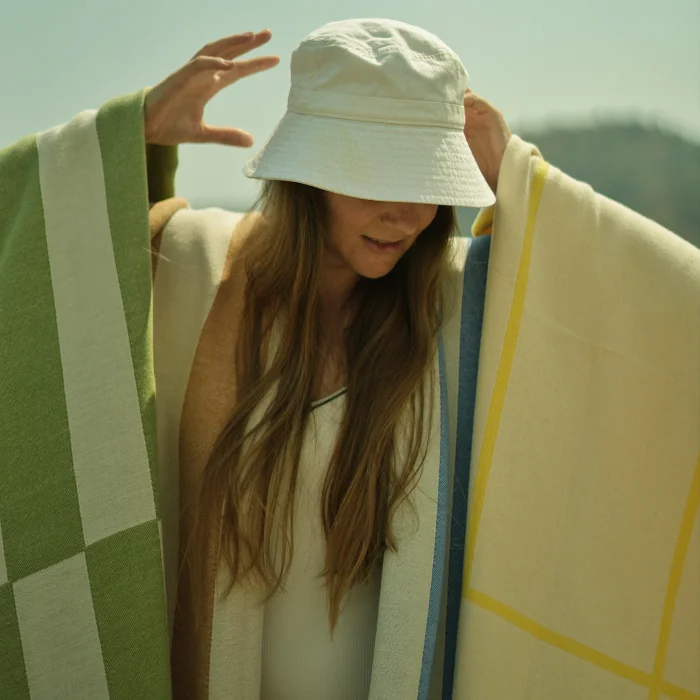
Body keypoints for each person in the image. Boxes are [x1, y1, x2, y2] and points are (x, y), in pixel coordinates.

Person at [2, 17, 699, 700]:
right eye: (375, 176)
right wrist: (123, 142)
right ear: (307, 176)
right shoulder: (192, 272)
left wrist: (522, 175)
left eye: (427, 180)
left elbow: (654, 311)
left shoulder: (461, 310)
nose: (407, 214)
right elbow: (45, 282)